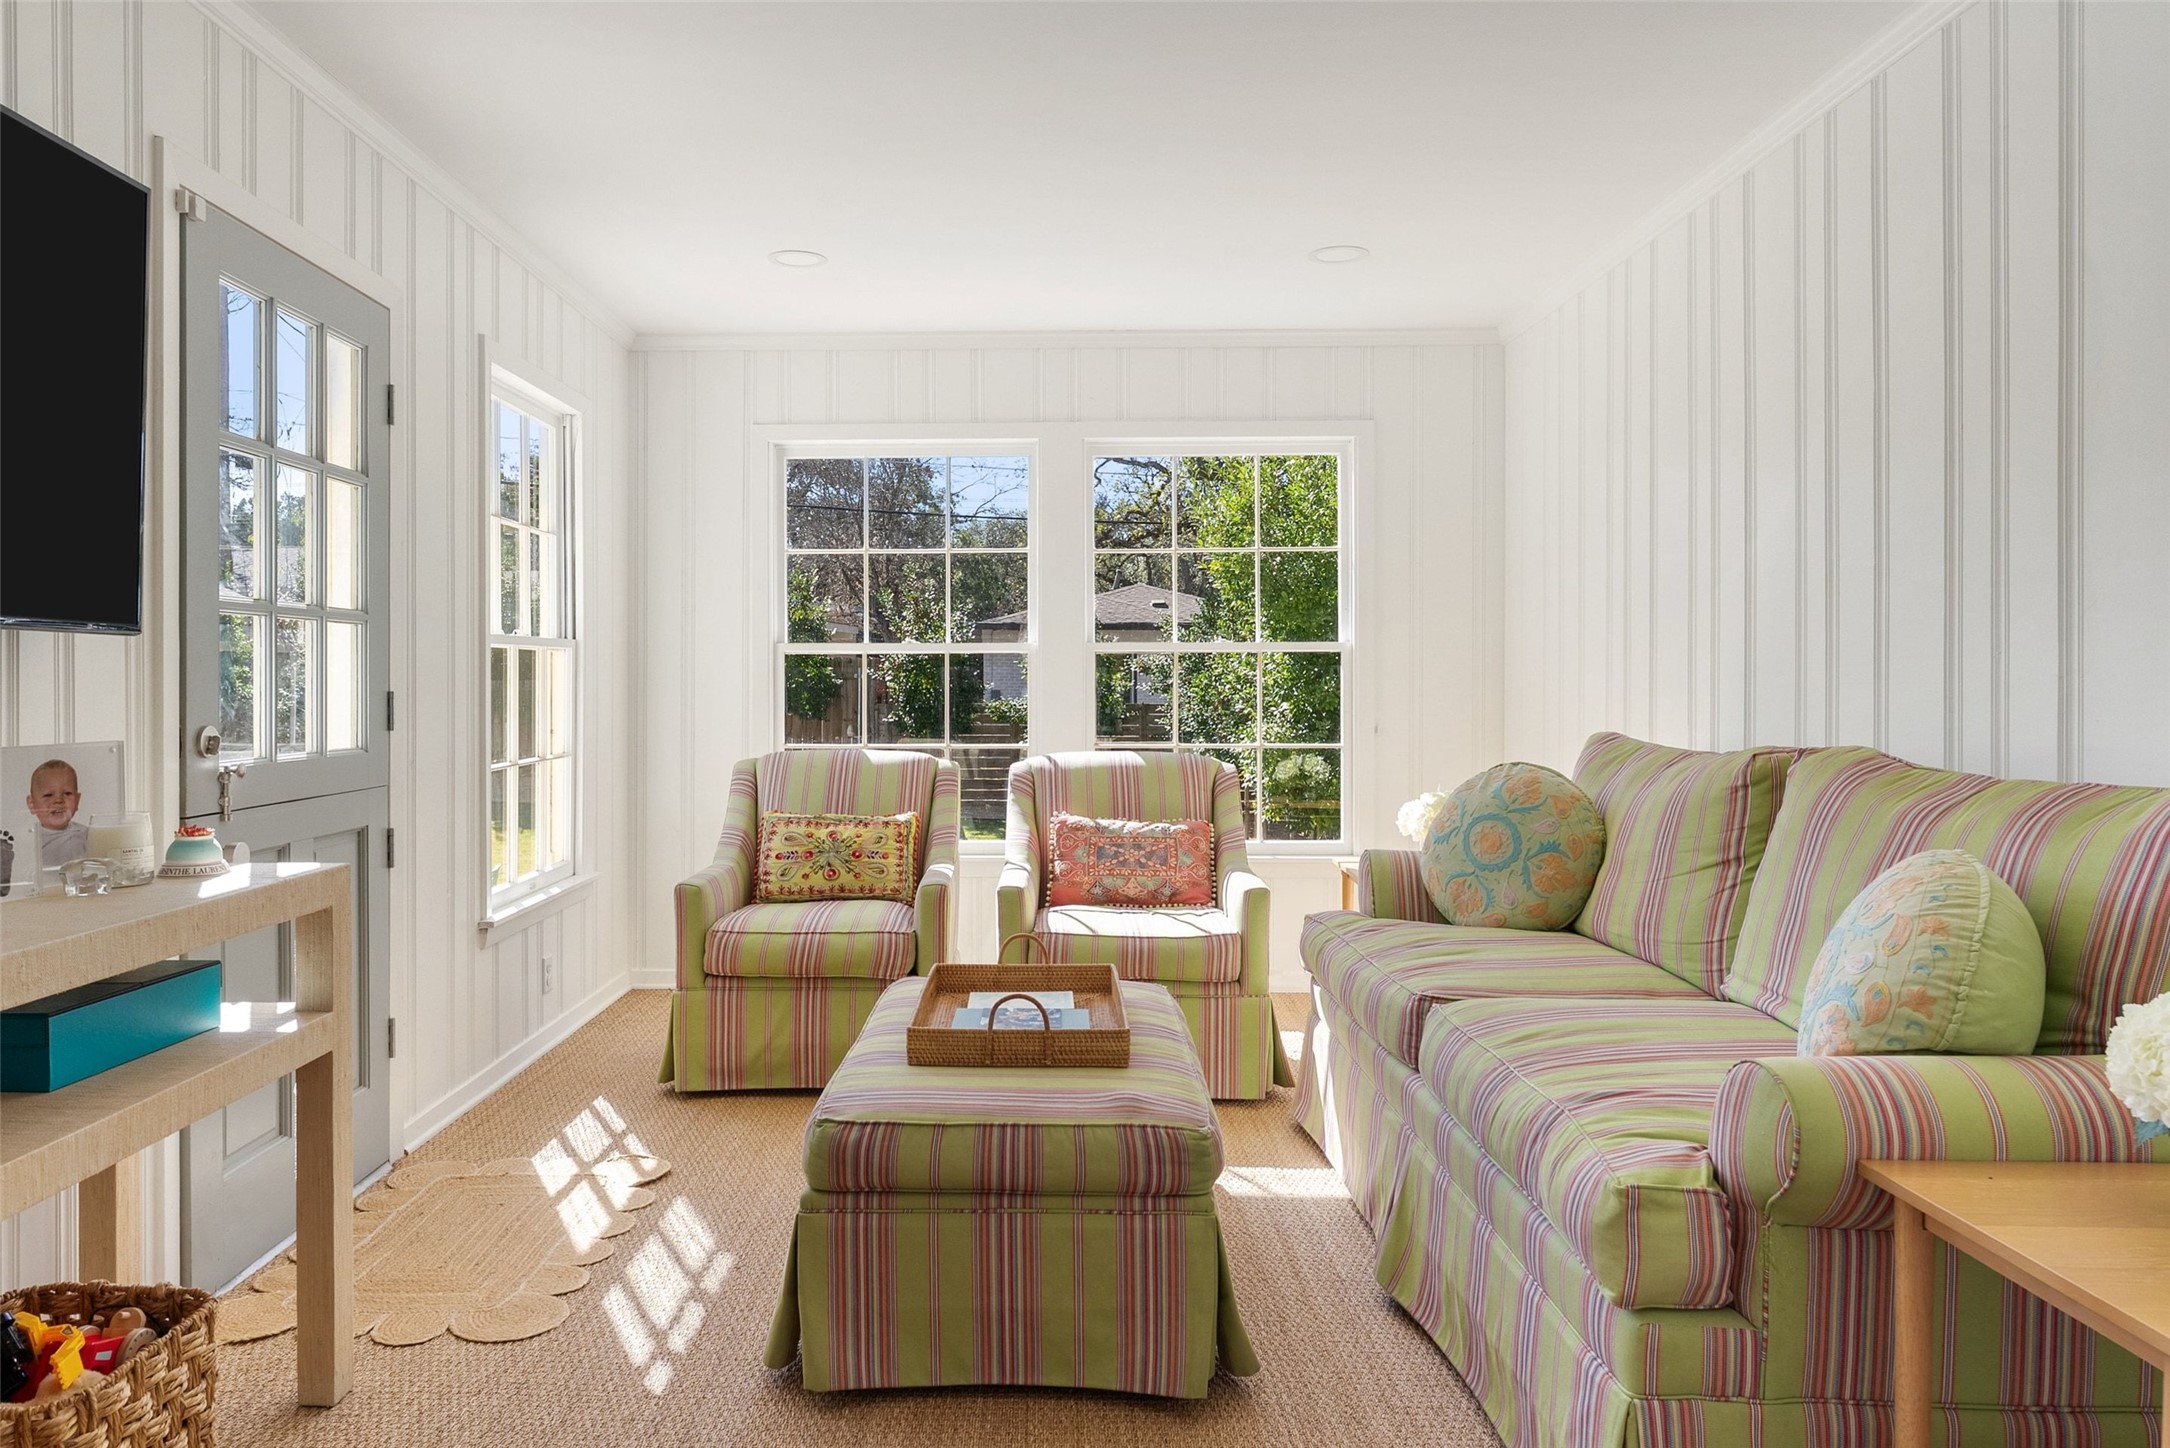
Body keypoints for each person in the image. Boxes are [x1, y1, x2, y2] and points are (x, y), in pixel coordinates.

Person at [27, 758, 89, 869]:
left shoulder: (86, 835)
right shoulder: (28, 840)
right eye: (48, 795)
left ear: (78, 800)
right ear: (32, 803)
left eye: (67, 793)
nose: (58, 800)